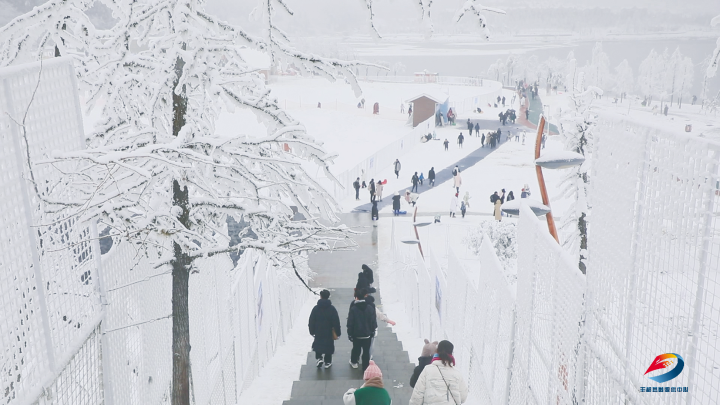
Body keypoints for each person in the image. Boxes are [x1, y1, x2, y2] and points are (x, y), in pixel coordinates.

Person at [409, 340, 468, 405]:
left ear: (437, 351)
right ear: (451, 353)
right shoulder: (456, 373)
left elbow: (417, 395)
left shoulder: (427, 370)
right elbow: (463, 397)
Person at [309, 289, 341, 369]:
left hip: (318, 330)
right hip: (329, 331)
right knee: (328, 346)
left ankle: (319, 358)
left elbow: (312, 320)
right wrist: (338, 332)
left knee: (318, 344)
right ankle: (328, 361)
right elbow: (336, 321)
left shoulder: (316, 308)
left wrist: (312, 331)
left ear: (320, 296)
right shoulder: (332, 309)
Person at [347, 288, 377, 371]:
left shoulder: (353, 309)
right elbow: (373, 321)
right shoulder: (369, 308)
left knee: (356, 348)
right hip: (367, 334)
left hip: (356, 334)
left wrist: (350, 333)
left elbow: (350, 322)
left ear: (356, 298)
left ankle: (354, 362)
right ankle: (365, 366)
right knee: (366, 351)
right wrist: (372, 331)